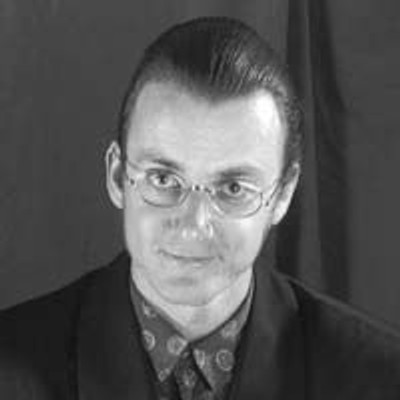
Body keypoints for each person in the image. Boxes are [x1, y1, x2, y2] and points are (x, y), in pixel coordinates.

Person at [0, 16, 399, 400]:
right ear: (118, 176)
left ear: (282, 194)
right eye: (163, 179)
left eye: (232, 188)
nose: (193, 224)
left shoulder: (380, 377)